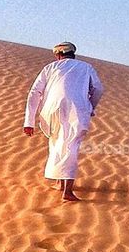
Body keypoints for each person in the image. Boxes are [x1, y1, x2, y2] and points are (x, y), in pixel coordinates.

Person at [23, 41, 104, 202]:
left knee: (57, 143)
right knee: (70, 146)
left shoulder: (50, 67)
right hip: (77, 110)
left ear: (58, 55)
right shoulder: (86, 67)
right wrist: (91, 106)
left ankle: (60, 182)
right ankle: (67, 191)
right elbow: (98, 89)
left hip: (51, 111)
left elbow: (35, 92)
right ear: (73, 53)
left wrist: (29, 121)